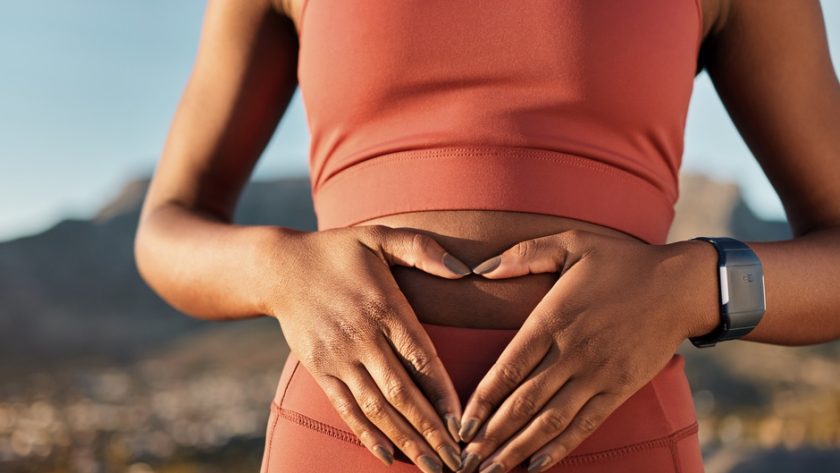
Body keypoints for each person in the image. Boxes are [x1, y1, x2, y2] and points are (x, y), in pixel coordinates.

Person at [133, 0, 840, 472]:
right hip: (341, 440)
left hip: (616, 442)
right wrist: (279, 271)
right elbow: (167, 225)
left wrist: (692, 286)